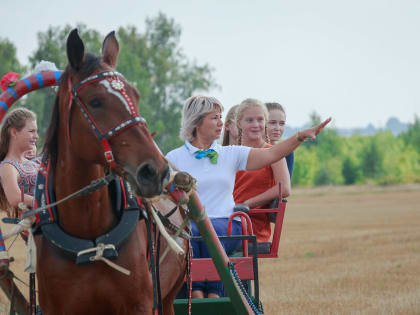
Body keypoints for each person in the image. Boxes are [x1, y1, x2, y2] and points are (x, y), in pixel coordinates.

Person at [166, 96, 330, 298]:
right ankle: (201, 292)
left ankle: (207, 293)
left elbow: (272, 154)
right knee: (192, 232)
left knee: (201, 231)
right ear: (197, 121)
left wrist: (300, 137)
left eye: (221, 117)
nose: (221, 123)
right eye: (215, 118)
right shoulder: (173, 158)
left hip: (229, 224)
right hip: (191, 228)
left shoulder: (230, 154)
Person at [233, 99, 291, 243]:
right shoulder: (231, 153)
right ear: (239, 123)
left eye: (260, 120)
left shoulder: (273, 153)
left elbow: (284, 188)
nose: (256, 125)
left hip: (250, 222)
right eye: (250, 120)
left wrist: (246, 204)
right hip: (226, 219)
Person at [0, 108, 39, 269]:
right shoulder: (8, 166)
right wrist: (49, 201)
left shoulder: (32, 158)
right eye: (31, 131)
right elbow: (15, 197)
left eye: (36, 131)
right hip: (37, 223)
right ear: (14, 132)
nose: (36, 136)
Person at [265, 102, 294, 178]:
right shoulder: (249, 150)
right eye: (272, 123)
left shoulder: (287, 152)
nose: (277, 128)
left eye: (282, 123)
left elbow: (285, 186)